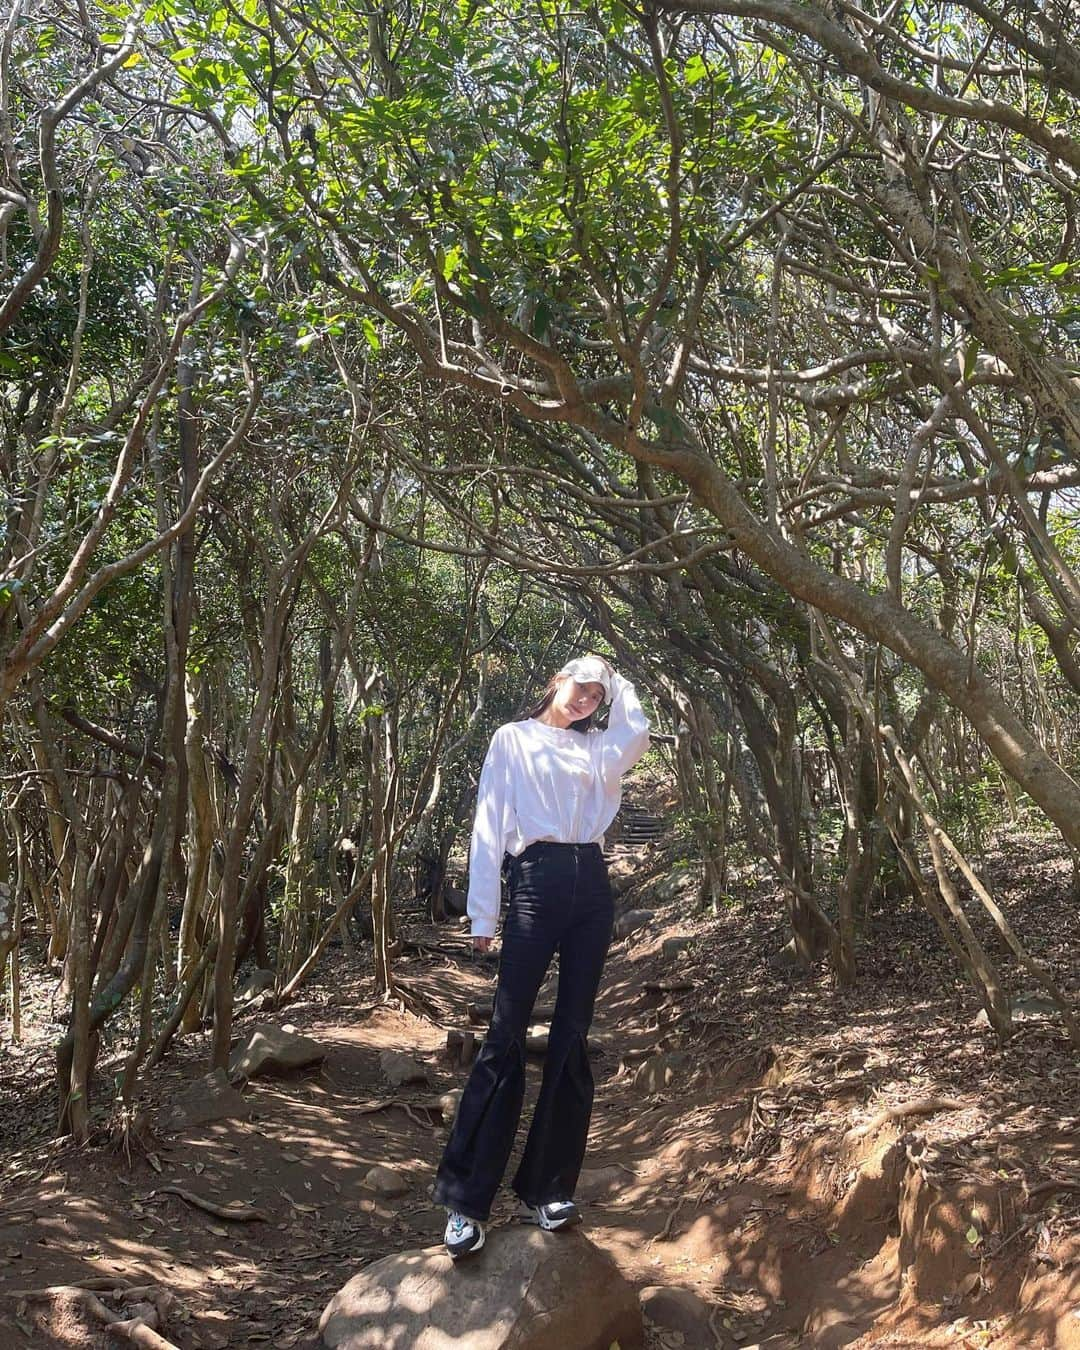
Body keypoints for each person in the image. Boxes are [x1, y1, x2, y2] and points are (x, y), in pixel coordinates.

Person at [434, 654, 651, 1258]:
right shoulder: (512, 739)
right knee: (504, 1035)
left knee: (572, 1036)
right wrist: (484, 910)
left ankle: (548, 1190)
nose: (587, 699)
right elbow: (488, 820)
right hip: (535, 876)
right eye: (582, 685)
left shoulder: (598, 748)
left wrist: (620, 677)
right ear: (558, 679)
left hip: (592, 886)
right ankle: (466, 1202)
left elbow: (636, 733)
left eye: (596, 695)